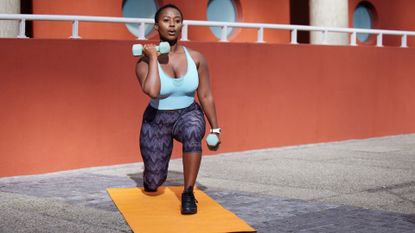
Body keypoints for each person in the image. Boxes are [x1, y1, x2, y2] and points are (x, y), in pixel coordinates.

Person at [135, 4, 221, 215]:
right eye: (166, 20)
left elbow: (206, 95)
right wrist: (154, 57)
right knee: (153, 182)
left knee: (193, 131)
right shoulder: (143, 62)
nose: (172, 24)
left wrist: (215, 129)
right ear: (156, 26)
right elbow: (153, 91)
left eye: (177, 20)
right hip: (156, 120)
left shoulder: (197, 58)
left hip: (187, 113)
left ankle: (188, 193)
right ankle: (152, 176)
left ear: (182, 24)